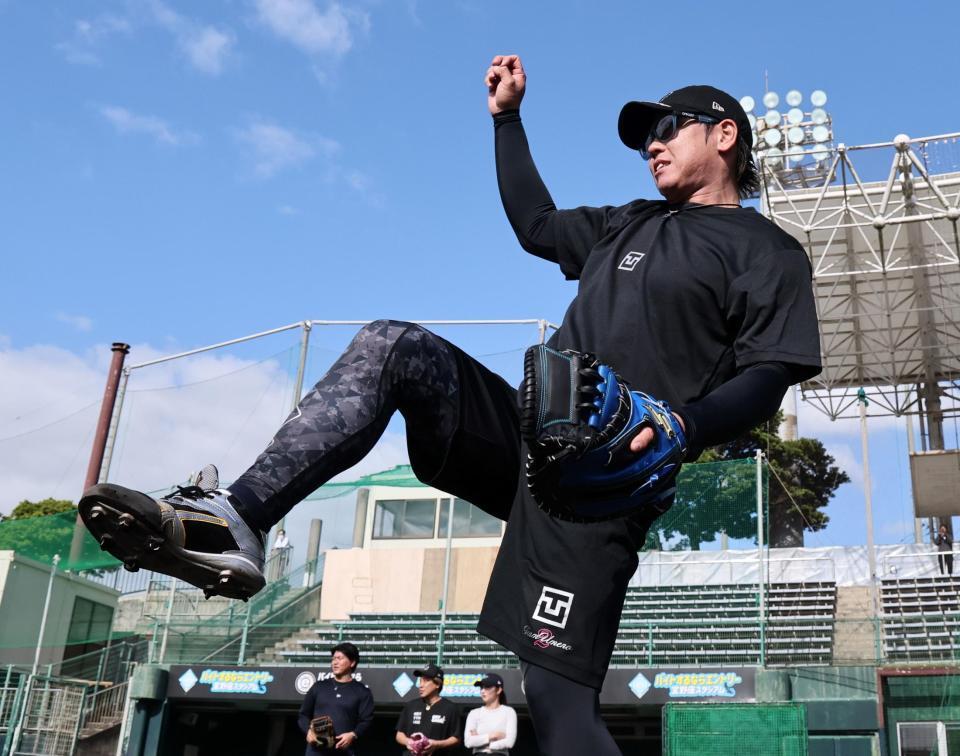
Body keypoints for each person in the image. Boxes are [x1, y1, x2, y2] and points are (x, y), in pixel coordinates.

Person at [78, 53, 821, 754]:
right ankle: (236, 521)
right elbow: (535, 224)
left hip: (604, 482)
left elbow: (769, 373)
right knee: (393, 344)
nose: (650, 146)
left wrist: (682, 426)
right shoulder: (628, 221)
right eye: (644, 137)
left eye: (666, 129)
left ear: (724, 135)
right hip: (523, 437)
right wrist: (507, 119)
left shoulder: (766, 251)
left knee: (558, 700)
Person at [298, 642, 373, 755]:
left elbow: (367, 720)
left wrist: (353, 734)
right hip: (315, 751)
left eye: (339, 658)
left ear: (352, 662)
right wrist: (308, 731)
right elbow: (303, 715)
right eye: (333, 659)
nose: (335, 662)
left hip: (343, 751)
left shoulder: (362, 692)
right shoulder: (318, 686)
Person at [395, 664, 461, 754]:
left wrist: (436, 744)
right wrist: (409, 742)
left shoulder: (450, 708)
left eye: (426, 681)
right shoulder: (411, 705)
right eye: (420, 681)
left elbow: (456, 738)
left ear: (437, 684)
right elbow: (399, 734)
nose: (421, 685)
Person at [464, 673, 516, 754]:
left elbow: (510, 742)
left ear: (498, 690)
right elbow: (468, 742)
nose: (482, 691)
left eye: (487, 687)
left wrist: (483, 742)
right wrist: (493, 736)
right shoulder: (474, 713)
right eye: (481, 687)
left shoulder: (509, 712)